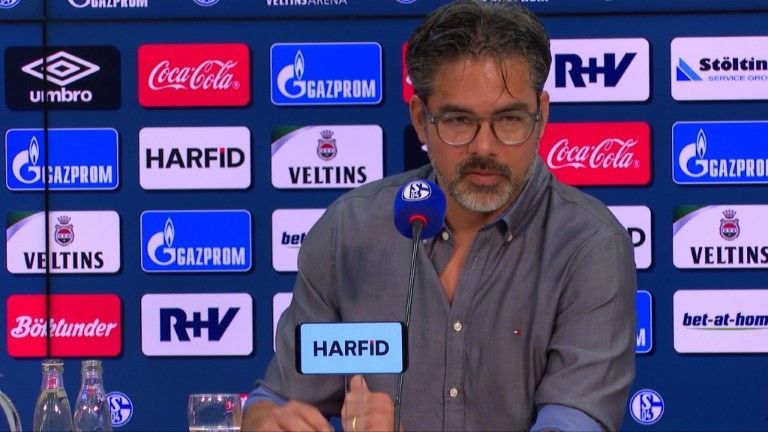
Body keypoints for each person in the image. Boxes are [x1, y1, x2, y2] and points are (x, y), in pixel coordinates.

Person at [243, 0, 636, 430]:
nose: (484, 147)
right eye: (458, 120)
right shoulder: (349, 232)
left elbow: (572, 422)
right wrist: (265, 419)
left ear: (541, 116)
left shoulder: (588, 245)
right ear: (420, 119)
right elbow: (281, 396)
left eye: (509, 119)